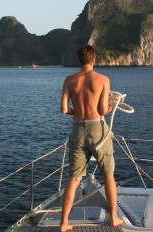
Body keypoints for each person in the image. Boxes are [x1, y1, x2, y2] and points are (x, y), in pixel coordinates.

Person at [60, 45, 123, 232]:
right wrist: (111, 106)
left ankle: (64, 223)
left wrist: (77, 111)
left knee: (74, 178)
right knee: (108, 175)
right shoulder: (103, 80)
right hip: (98, 129)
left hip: (78, 129)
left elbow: (64, 109)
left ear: (80, 60)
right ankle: (113, 218)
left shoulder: (69, 80)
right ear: (94, 60)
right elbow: (103, 110)